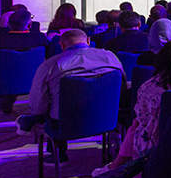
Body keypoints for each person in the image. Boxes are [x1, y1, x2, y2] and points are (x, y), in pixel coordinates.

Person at [91, 38, 171, 178]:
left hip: (155, 143)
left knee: (135, 125)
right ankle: (118, 167)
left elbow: (143, 120)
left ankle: (117, 167)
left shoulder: (150, 86)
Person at [15, 29, 123, 162]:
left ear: (62, 45)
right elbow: (121, 88)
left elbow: (37, 107)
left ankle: (58, 155)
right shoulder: (110, 57)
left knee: (50, 107)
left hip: (64, 123)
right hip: (107, 119)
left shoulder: (50, 65)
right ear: (88, 41)